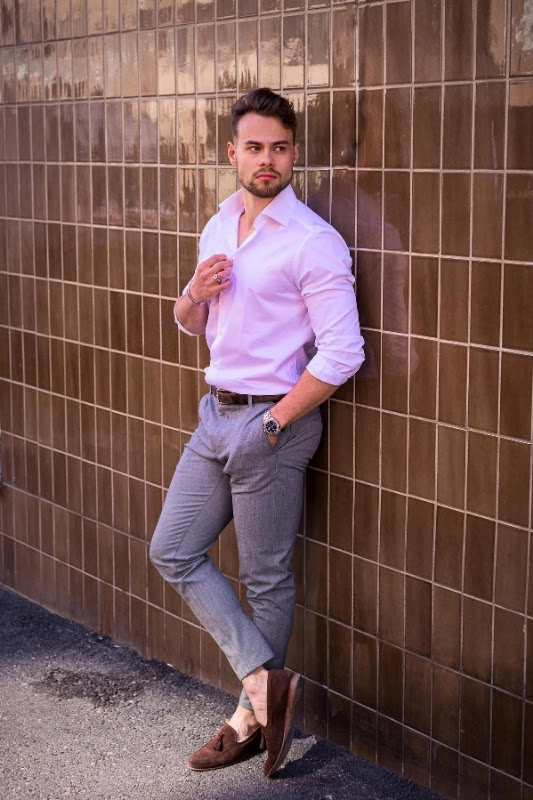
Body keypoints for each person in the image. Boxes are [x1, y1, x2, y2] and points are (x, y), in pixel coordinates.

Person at [149, 88, 365, 777]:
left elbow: (342, 353)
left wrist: (274, 421)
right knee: (172, 549)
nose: (265, 159)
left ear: (293, 153)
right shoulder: (216, 226)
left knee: (265, 577)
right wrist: (192, 296)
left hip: (273, 422)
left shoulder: (312, 241)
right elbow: (191, 322)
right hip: (215, 412)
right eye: (252, 147)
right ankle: (264, 686)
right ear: (231, 153)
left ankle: (248, 722)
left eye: (278, 147)